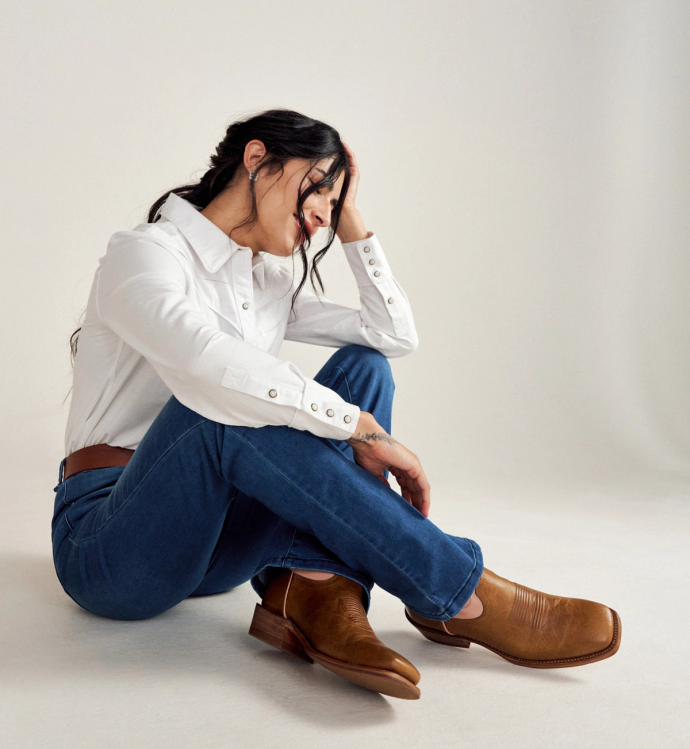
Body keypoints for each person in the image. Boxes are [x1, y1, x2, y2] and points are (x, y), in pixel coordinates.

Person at [52, 108, 621, 701]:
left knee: (363, 368)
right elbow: (208, 365)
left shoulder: (264, 282)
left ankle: (317, 586)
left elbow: (391, 335)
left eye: (333, 197)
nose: (320, 214)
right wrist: (355, 427)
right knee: (224, 409)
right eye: (318, 185)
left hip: (218, 548)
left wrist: (350, 214)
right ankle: (462, 591)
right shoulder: (144, 254)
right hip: (112, 547)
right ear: (257, 160)